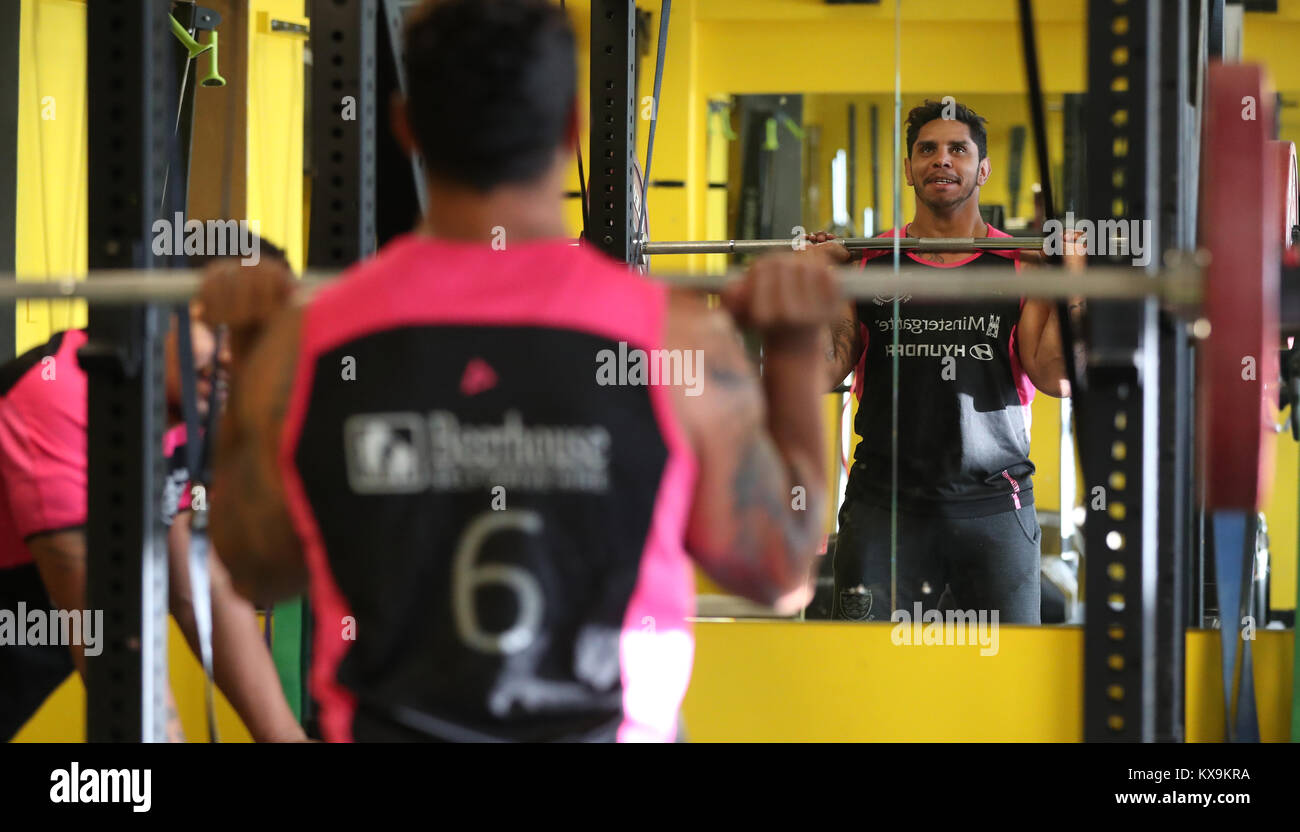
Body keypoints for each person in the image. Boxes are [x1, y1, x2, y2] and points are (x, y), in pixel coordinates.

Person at [202, 0, 838, 742]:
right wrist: (794, 349)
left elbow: (255, 570)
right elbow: (782, 571)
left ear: (406, 129)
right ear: (572, 129)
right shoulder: (674, 339)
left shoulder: (306, 342)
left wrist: (248, 344)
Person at [0, 245, 305, 742]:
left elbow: (201, 589)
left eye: (255, 336)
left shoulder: (193, 410)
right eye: (216, 327)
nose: (231, 355)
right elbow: (99, 623)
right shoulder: (62, 391)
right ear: (154, 313)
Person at [811, 99, 1079, 625]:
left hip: (995, 509)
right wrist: (811, 287)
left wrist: (1074, 281)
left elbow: (1056, 377)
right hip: (882, 508)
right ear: (910, 168)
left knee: (1004, 682)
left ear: (982, 169)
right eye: (927, 149)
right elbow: (821, 370)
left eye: (958, 149)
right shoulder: (866, 264)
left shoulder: (1022, 264)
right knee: (869, 677)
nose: (942, 160)